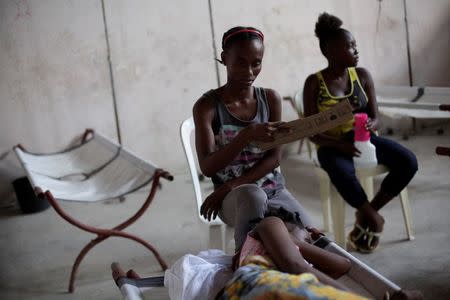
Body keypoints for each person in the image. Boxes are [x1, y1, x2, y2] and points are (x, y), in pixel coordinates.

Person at [303, 13, 418, 253]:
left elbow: (375, 116)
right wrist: (339, 146)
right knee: (341, 170)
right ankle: (372, 218)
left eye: (356, 45)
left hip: (364, 140)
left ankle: (368, 213)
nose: (357, 50)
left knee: (408, 161)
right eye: (351, 46)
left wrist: (371, 124)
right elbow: (312, 133)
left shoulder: (362, 76)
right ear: (331, 51)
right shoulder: (314, 83)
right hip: (331, 144)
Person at [193, 26, 313, 252]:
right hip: (235, 199)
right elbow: (208, 167)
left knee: (311, 237)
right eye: (240, 62)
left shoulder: (270, 99)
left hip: (273, 190)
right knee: (252, 195)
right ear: (224, 58)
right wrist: (246, 135)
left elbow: (274, 159)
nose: (249, 71)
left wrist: (227, 185)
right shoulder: (207, 107)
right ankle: (246, 262)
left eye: (256, 63)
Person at [217, 216, 423, 300]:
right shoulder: (272, 223)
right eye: (306, 233)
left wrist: (305, 243)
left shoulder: (296, 252)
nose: (308, 237)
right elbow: (295, 265)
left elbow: (343, 265)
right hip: (255, 283)